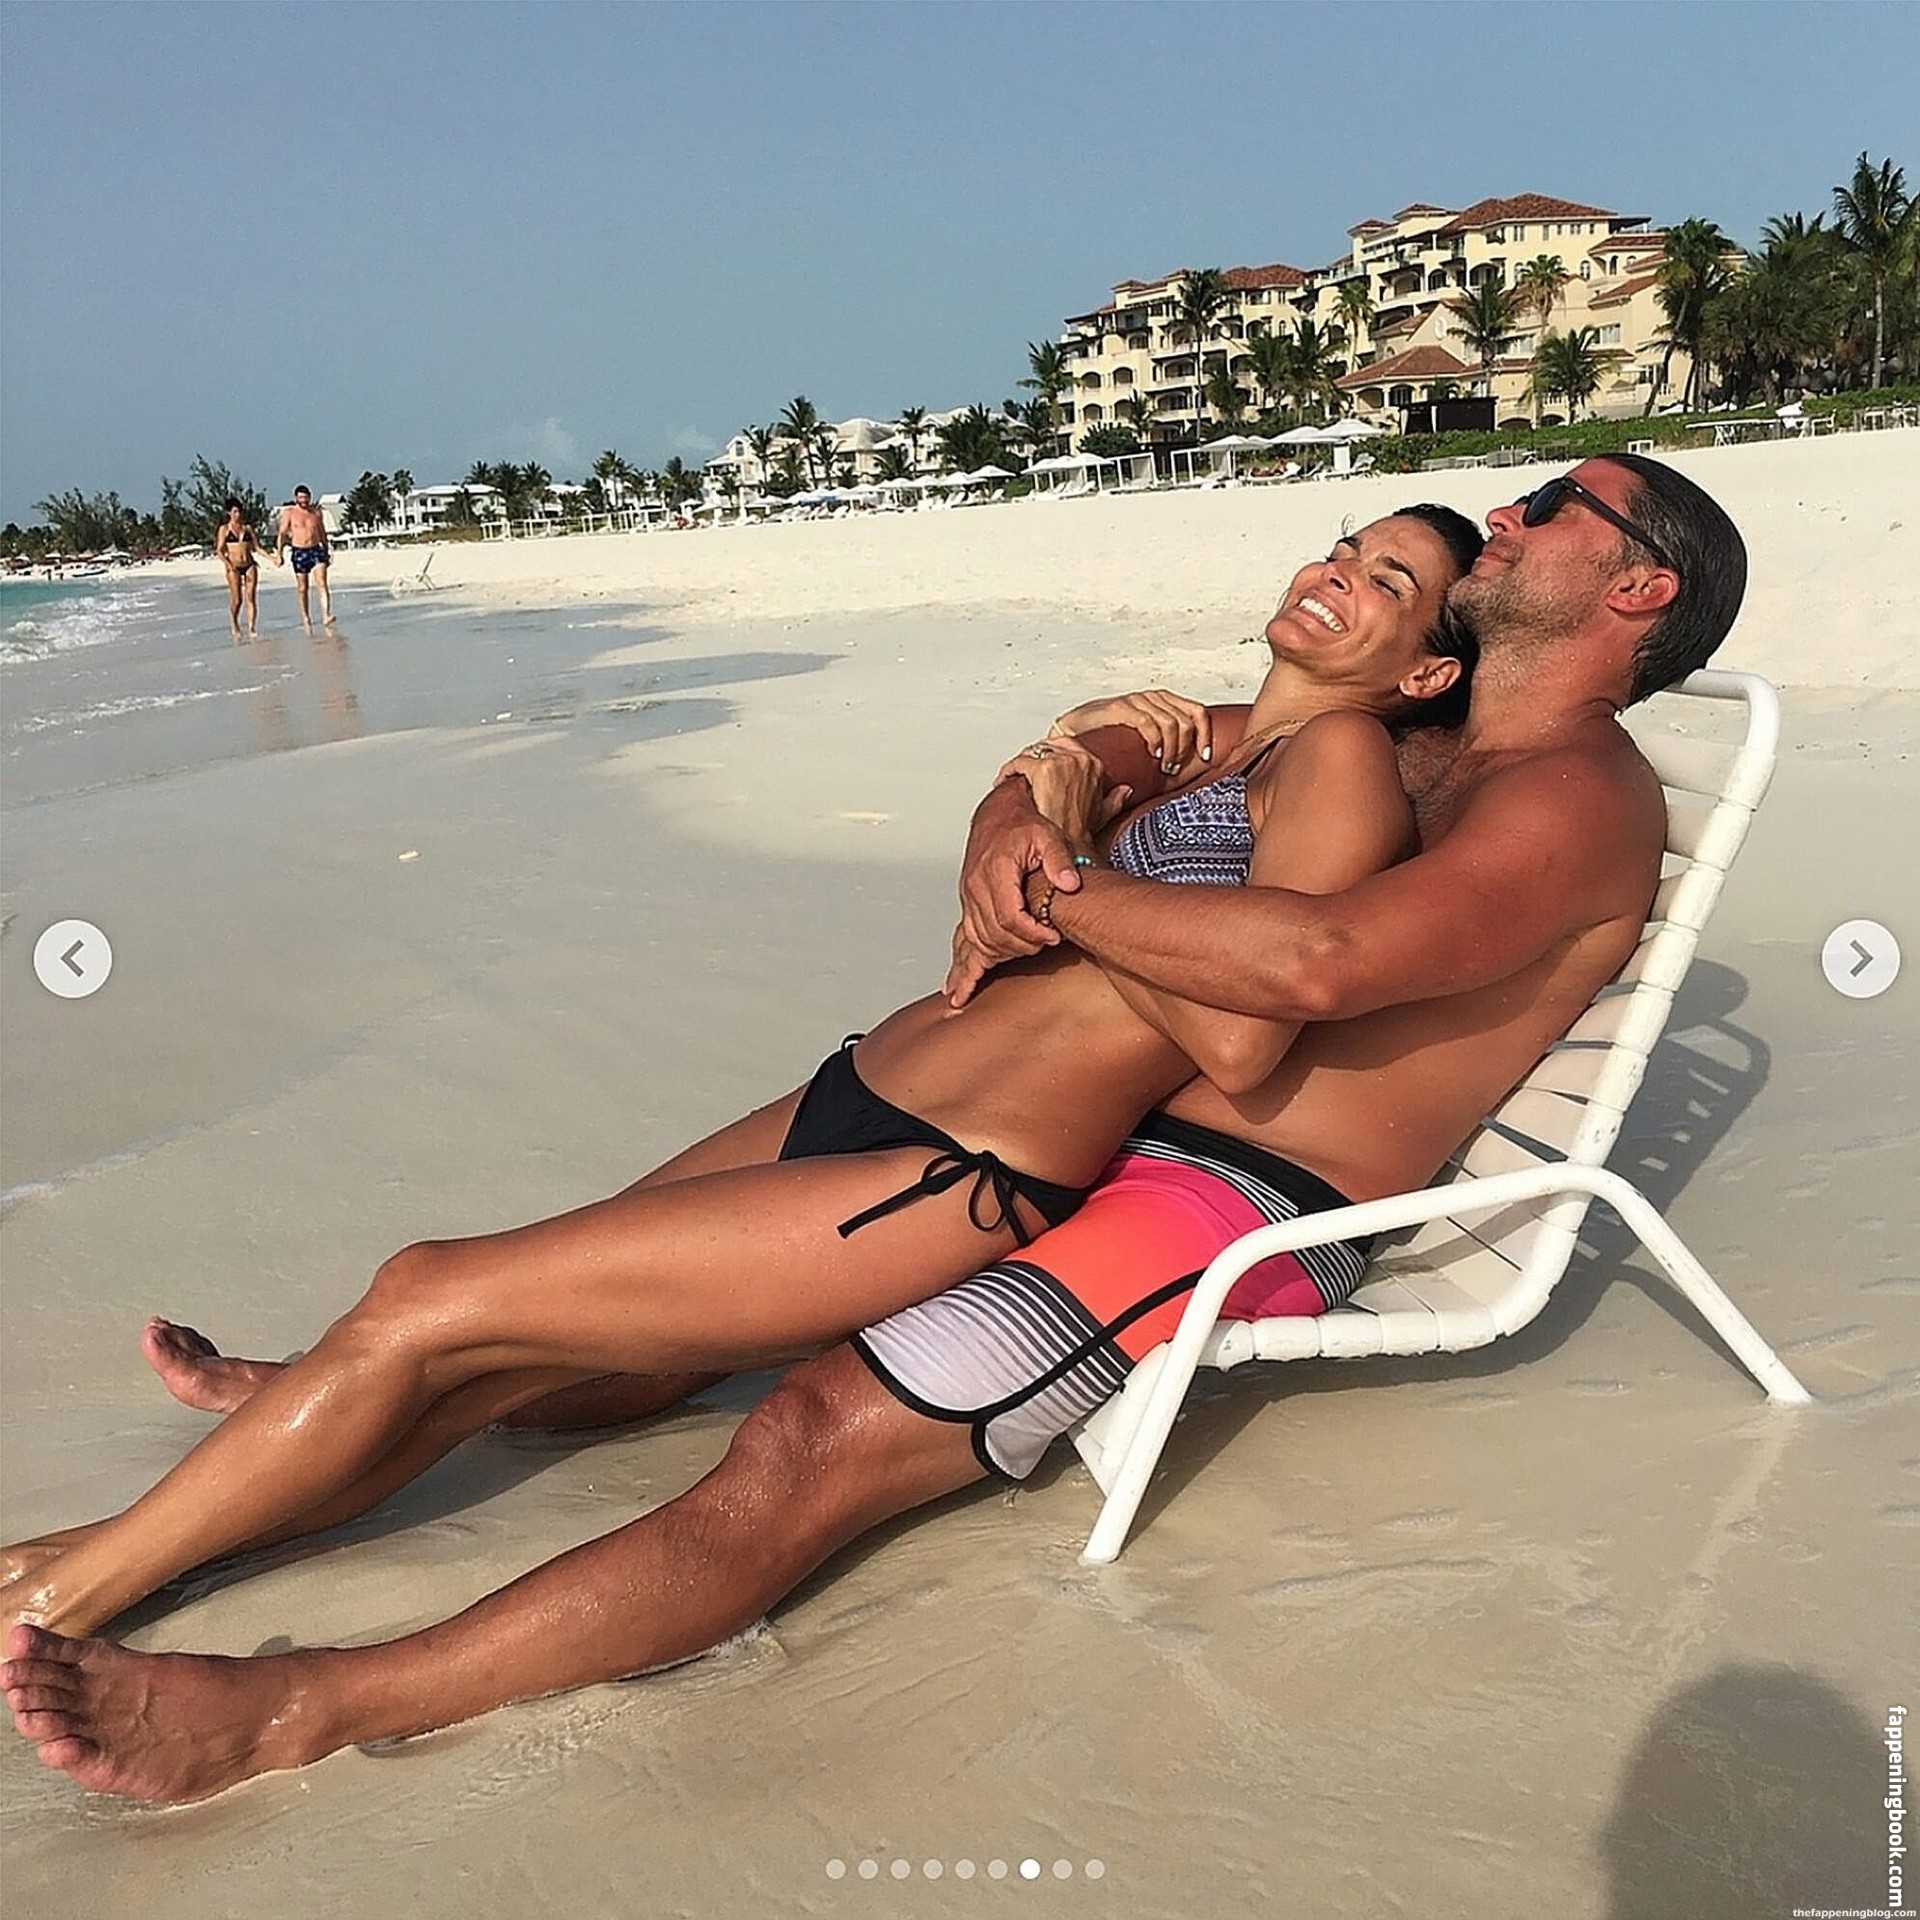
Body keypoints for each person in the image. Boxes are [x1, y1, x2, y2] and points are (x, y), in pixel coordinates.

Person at [4, 456, 1744, 1804]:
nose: (1505, 513)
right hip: (1079, 1126)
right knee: (563, 1324)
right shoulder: (1414, 740)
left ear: (1638, 587)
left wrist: (1058, 886)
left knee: (803, 1439)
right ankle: (285, 1445)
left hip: (1238, 1200)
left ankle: (298, 1705)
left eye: (1549, 509)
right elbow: (1108, 747)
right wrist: (1028, 805)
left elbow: (1306, 967)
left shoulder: (1575, 792)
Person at [275, 484, 334, 629]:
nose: (303, 501)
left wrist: (326, 550)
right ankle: (306, 617)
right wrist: (279, 554)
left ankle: (326, 615)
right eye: (300, 498)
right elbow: (282, 534)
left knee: (322, 582)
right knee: (303, 587)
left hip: (316, 549)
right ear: (296, 498)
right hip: (299, 551)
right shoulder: (290, 512)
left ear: (310, 497)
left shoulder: (316, 513)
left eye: (306, 498)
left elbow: (322, 533)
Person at [214, 498, 267, 639]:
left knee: (251, 597)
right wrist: (228, 564)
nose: (238, 514)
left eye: (239, 511)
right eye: (235, 512)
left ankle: (251, 627)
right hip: (234, 566)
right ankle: (234, 623)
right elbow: (219, 550)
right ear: (229, 513)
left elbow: (257, 547)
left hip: (249, 564)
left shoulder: (247, 528)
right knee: (237, 600)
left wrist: (272, 558)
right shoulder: (224, 529)